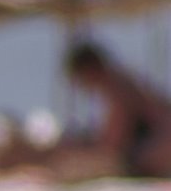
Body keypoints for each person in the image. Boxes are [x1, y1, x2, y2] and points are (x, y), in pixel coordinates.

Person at [63, 40, 171, 178]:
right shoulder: (122, 82)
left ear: (88, 70)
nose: (82, 85)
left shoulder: (117, 88)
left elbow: (113, 143)